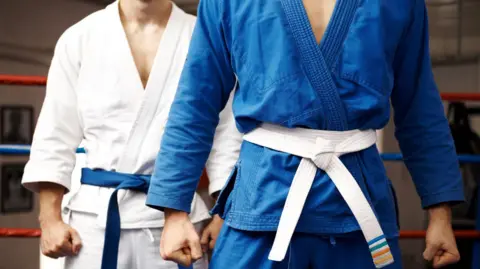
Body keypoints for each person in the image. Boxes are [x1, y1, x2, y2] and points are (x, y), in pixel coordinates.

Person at [145, 0, 465, 268]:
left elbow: (420, 108)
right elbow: (195, 104)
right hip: (261, 205)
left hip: (358, 209)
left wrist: (440, 213)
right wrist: (175, 211)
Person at [21, 0, 242, 268]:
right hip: (94, 221)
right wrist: (50, 219)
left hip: (177, 217)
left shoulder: (203, 36)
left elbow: (226, 134)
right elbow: (55, 132)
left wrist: (223, 214)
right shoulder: (80, 37)